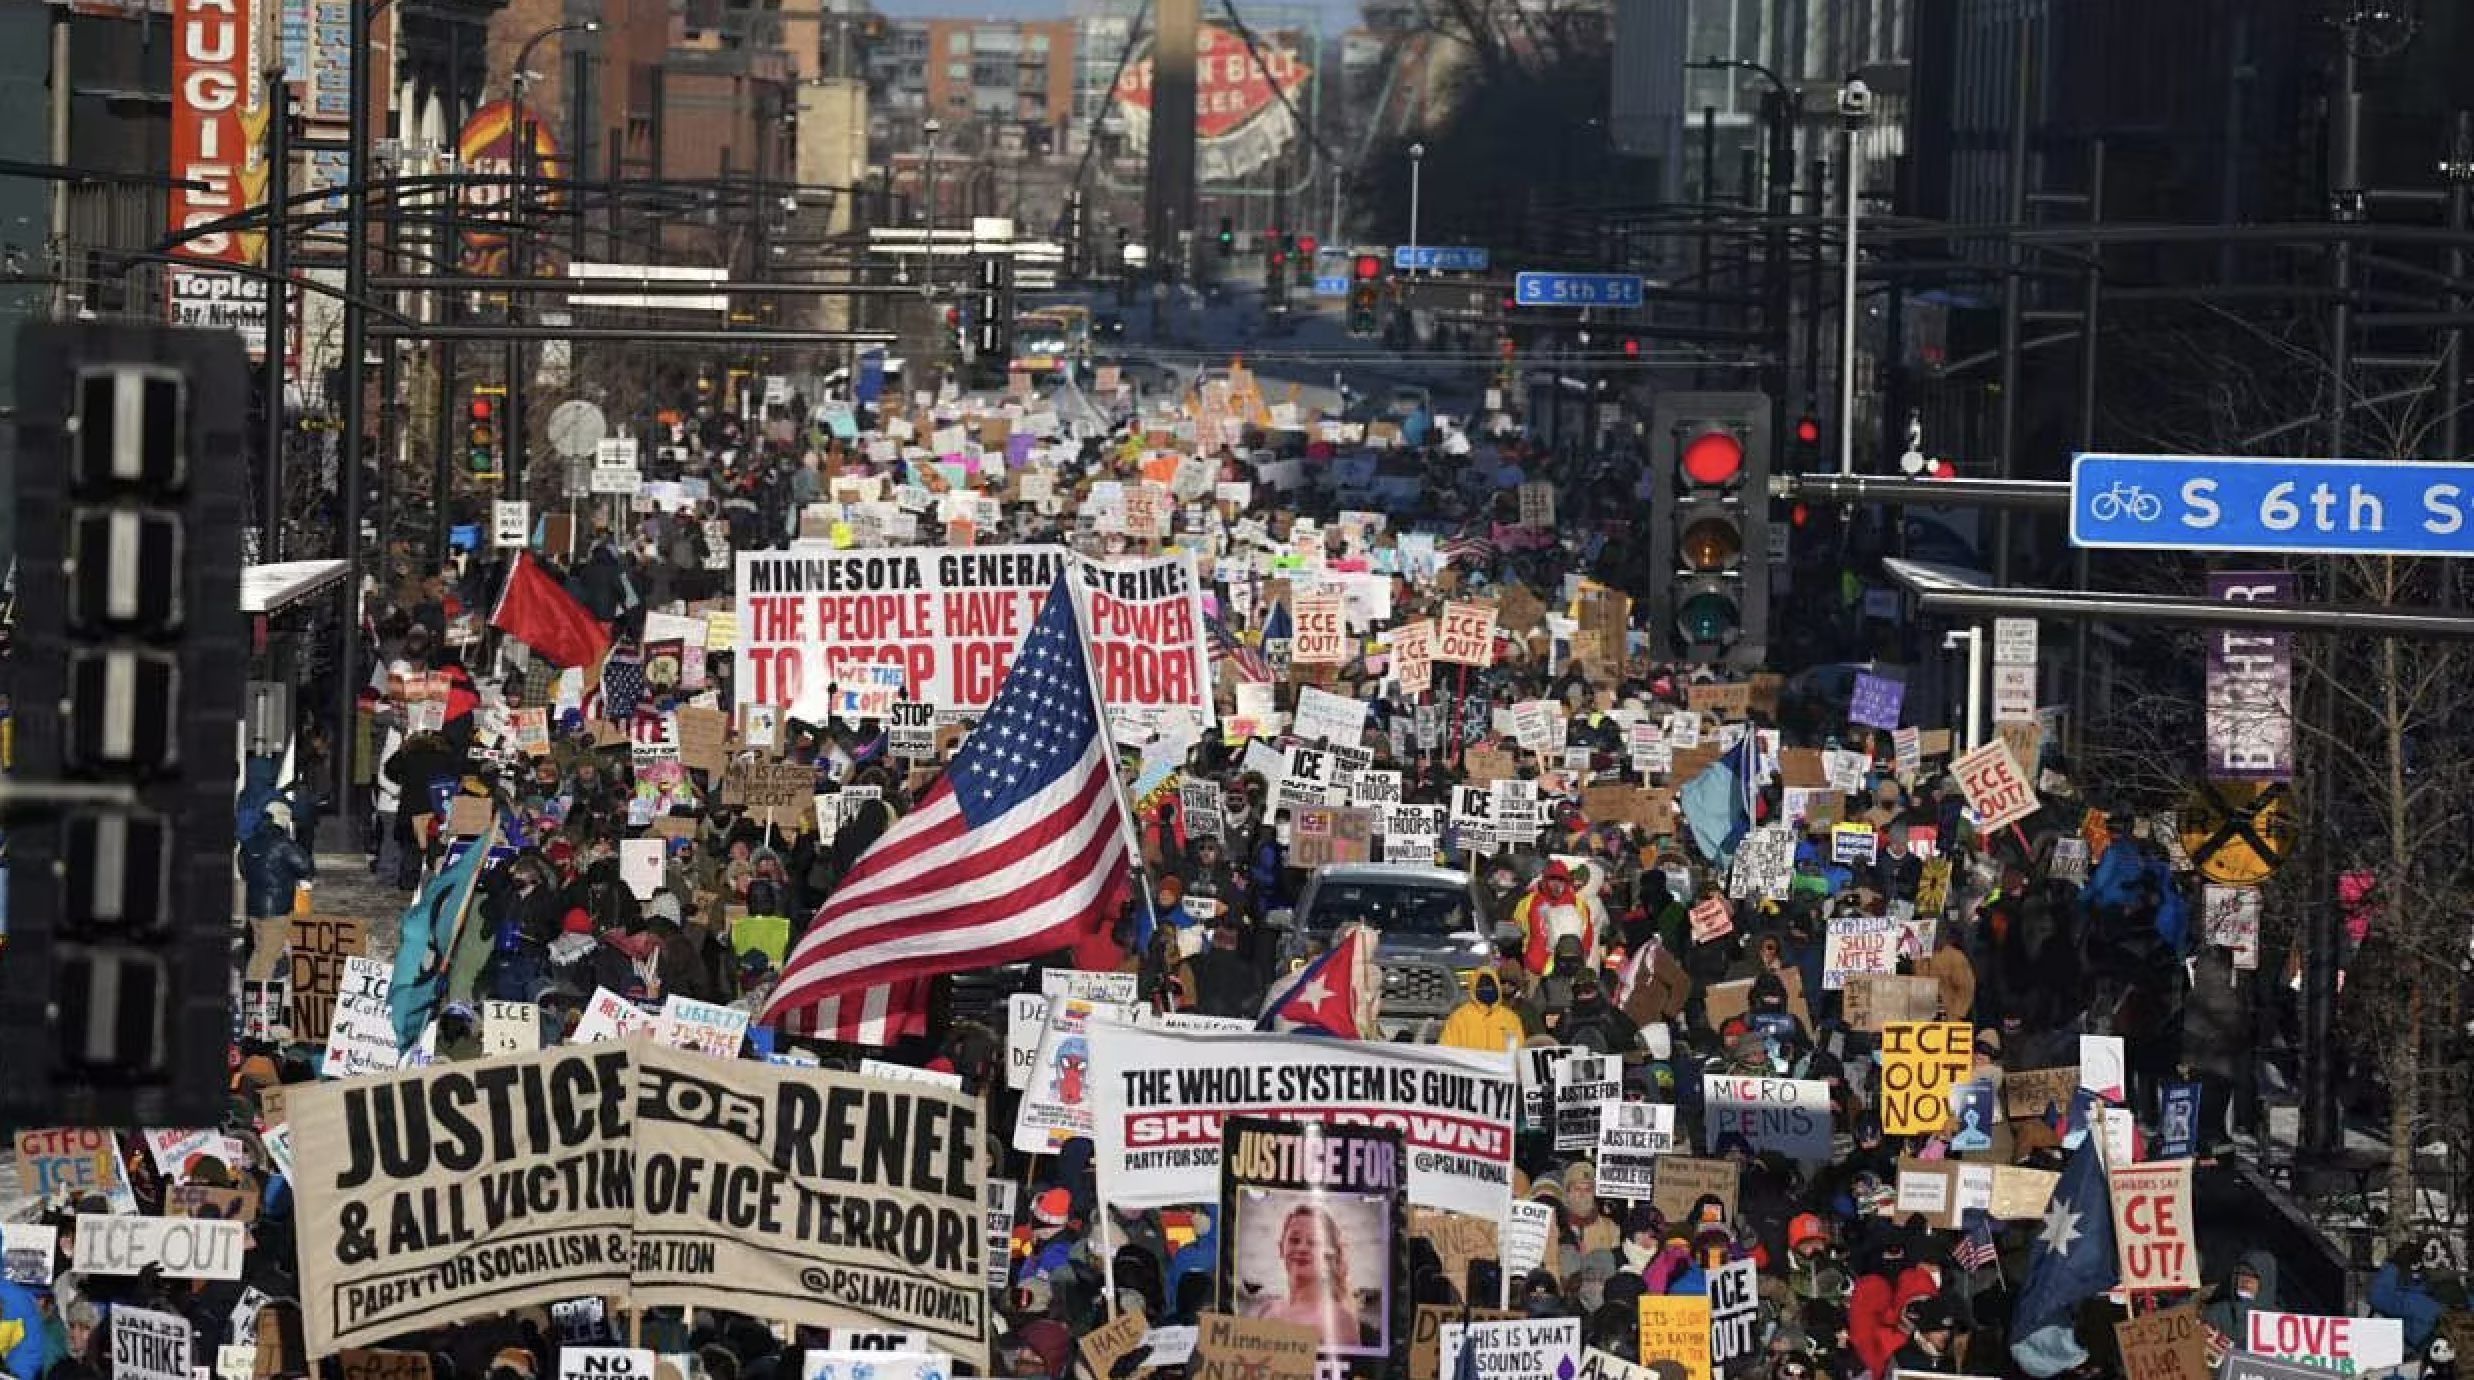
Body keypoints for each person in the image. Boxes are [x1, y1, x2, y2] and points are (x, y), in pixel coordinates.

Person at [1244, 1203, 1375, 1350]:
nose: (1301, 1248)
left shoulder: (1339, 1321)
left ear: (1328, 1255)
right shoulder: (1266, 1310)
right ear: (1281, 1248)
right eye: (1294, 1240)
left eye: (1313, 1242)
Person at [1439, 967, 1526, 1054]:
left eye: (1491, 985)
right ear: (1474, 987)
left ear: (1497, 987)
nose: (1487, 988)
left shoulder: (1511, 1019)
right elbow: (1446, 1052)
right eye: (1482, 985)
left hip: (1501, 1067)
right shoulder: (1459, 1017)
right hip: (1468, 1067)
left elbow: (1520, 1053)